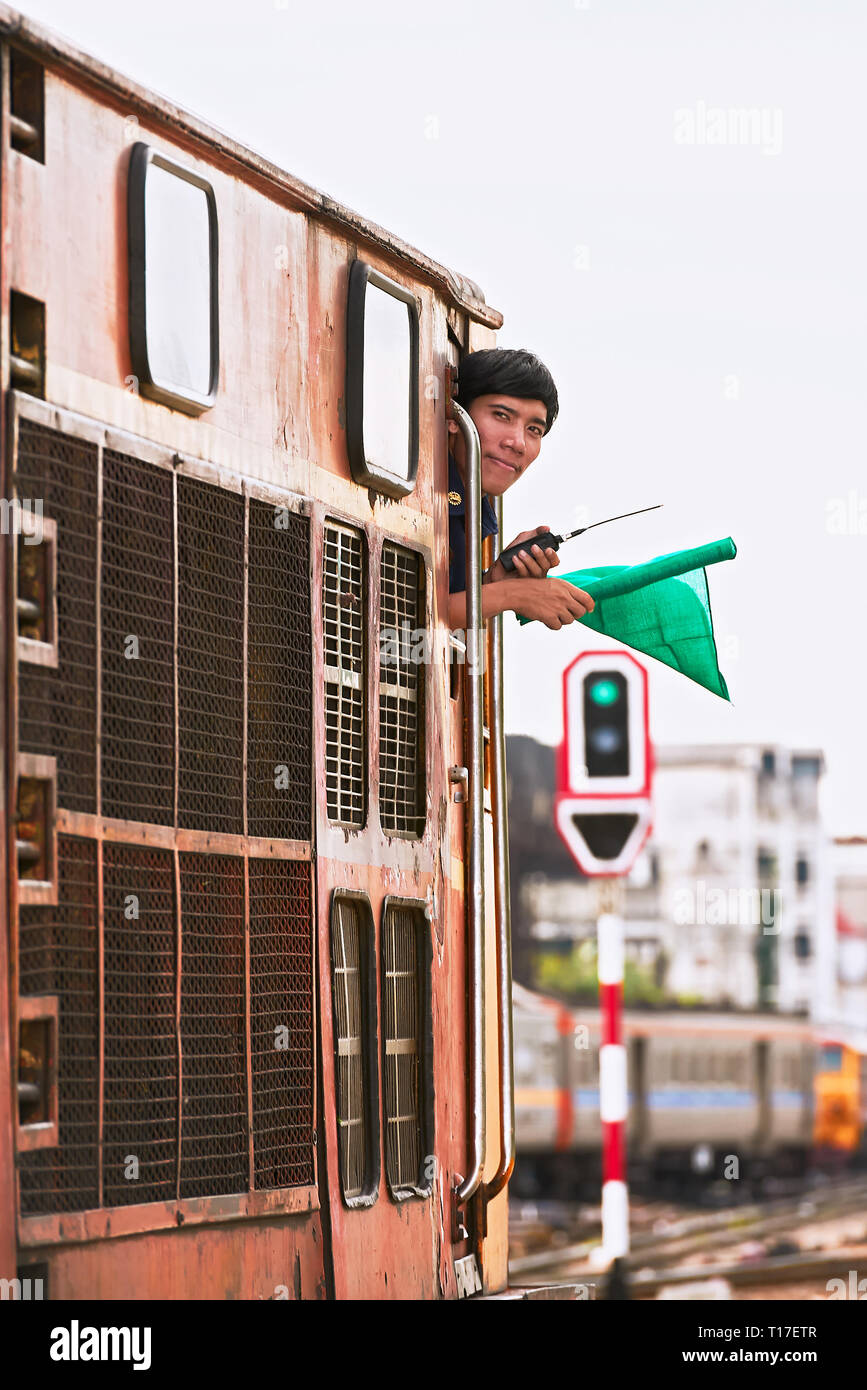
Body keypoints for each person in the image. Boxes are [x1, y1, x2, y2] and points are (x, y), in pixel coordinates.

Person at [446, 348, 595, 632]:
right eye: (502, 415)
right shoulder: (420, 500)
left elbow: (443, 616)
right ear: (455, 415)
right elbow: (412, 614)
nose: (518, 443)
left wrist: (496, 582)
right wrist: (516, 595)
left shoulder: (474, 513)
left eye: (534, 430)